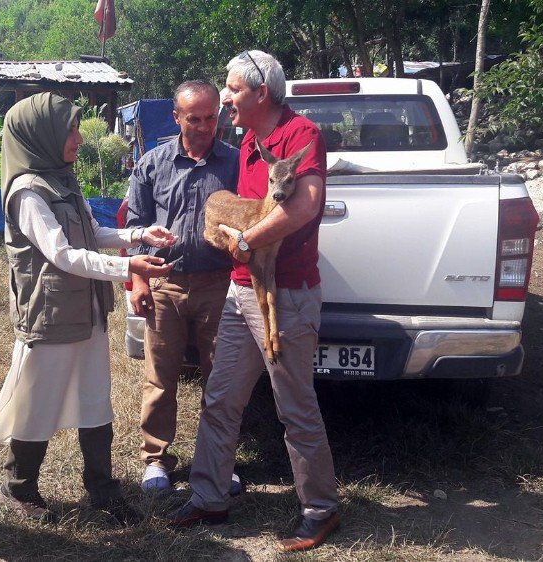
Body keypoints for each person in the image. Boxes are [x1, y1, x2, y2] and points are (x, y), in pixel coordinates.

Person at [166, 50, 341, 552]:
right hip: (242, 288)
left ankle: (320, 507)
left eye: (232, 89)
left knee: (294, 404)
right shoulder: (248, 143)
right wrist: (230, 239)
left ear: (261, 92)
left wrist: (245, 242)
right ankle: (209, 496)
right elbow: (244, 209)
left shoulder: (301, 135)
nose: (225, 97)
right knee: (220, 396)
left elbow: (306, 205)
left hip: (285, 295)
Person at [0, 92, 176, 525]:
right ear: (41, 133)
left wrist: (140, 235)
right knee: (37, 401)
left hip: (86, 311)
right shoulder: (27, 193)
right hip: (49, 317)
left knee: (94, 399)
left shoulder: (62, 180)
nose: (79, 138)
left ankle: (102, 488)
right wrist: (129, 265)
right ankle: (19, 487)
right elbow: (63, 254)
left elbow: (92, 230)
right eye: (70, 129)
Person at [125, 80, 240, 493]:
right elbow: (135, 227)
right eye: (195, 118)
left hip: (219, 285)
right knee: (160, 378)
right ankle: (155, 459)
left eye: (212, 117)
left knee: (220, 378)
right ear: (177, 117)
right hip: (165, 285)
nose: (206, 126)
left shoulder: (236, 163)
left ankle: (219, 461)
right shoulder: (152, 164)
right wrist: (138, 280)